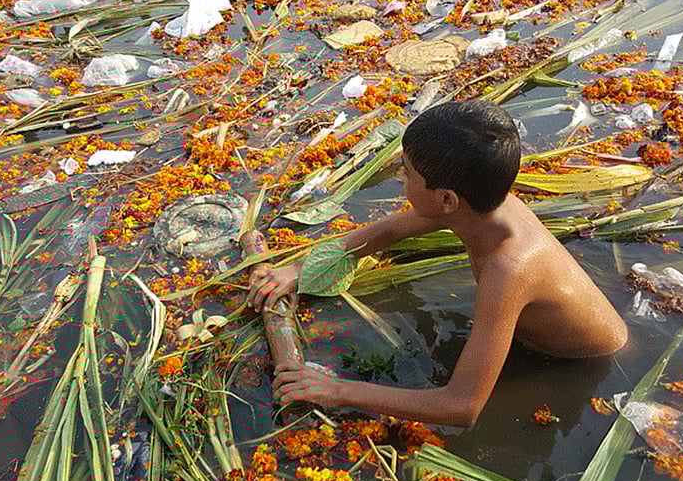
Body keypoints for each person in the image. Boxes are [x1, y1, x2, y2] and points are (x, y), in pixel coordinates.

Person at [247, 101, 628, 426]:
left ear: (446, 199)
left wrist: (340, 390)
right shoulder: (482, 205)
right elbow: (391, 230)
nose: (399, 177)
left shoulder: (508, 268)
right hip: (541, 342)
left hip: (586, 364)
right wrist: (302, 270)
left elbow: (462, 407)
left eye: (408, 174)